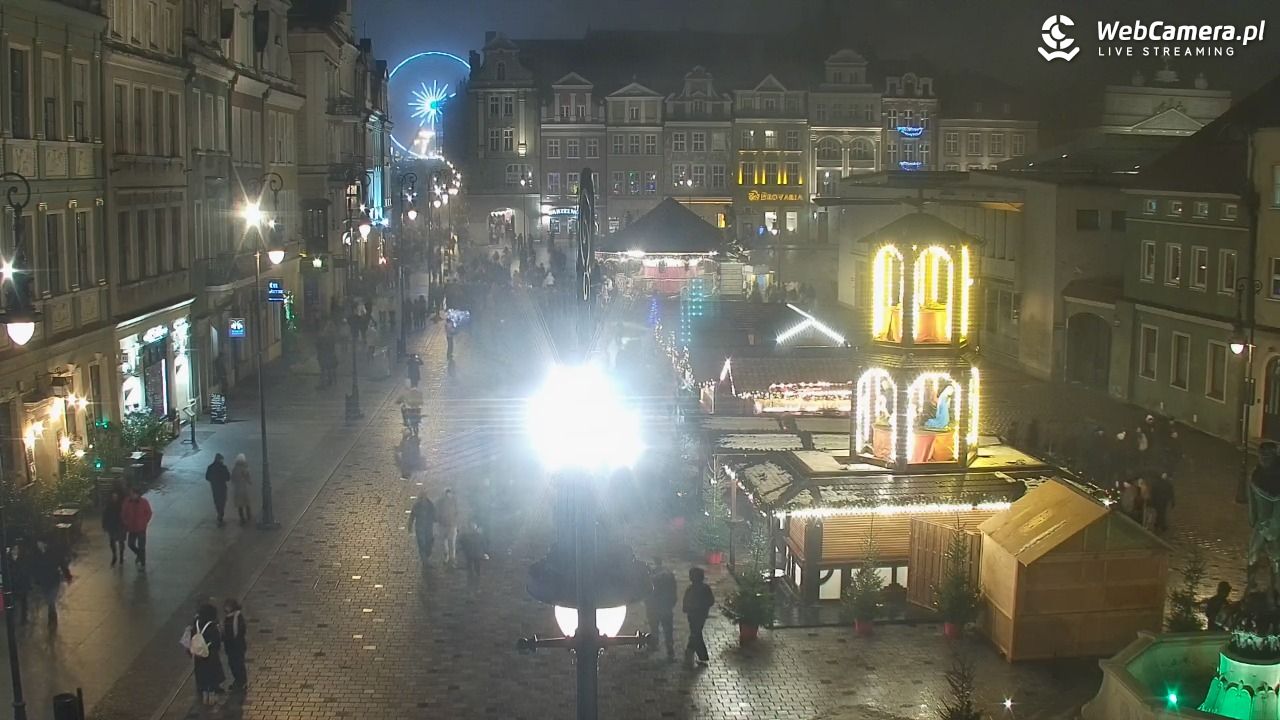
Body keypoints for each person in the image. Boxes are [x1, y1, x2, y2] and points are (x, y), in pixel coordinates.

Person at [31, 537, 72, 627]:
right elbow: (33, 567)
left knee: (51, 599)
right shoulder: (36, 554)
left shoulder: (53, 552)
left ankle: (52, 617)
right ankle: (52, 614)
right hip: (43, 581)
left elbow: (62, 564)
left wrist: (68, 576)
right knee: (48, 599)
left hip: (53, 580)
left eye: (40, 543)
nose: (38, 545)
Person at [190, 603, 225, 705]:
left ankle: (204, 694)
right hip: (210, 655)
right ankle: (212, 696)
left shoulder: (196, 623)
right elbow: (217, 641)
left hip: (198, 656)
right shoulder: (212, 625)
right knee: (212, 674)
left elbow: (192, 636)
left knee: (202, 674)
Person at [645, 558, 677, 660]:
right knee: (668, 629)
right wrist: (671, 603)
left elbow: (646, 592)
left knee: (654, 627)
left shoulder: (650, 577)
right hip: (666, 607)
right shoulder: (669, 575)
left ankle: (654, 644)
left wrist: (648, 604)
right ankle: (670, 649)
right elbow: (673, 591)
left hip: (653, 608)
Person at [682, 566, 715, 667]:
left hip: (695, 615)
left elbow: (686, 601)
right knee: (696, 634)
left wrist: (689, 608)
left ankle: (690, 654)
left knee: (695, 634)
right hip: (699, 615)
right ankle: (700, 656)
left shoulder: (691, 589)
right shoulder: (705, 588)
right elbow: (711, 601)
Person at [121, 485, 153, 568]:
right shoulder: (127, 501)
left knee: (141, 546)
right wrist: (126, 522)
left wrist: (144, 522)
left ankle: (143, 562)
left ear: (137, 494)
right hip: (131, 528)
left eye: (132, 493)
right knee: (130, 544)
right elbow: (123, 512)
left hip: (141, 528)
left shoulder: (144, 502)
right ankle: (139, 554)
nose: (130, 495)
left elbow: (149, 513)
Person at [223, 598, 249, 692]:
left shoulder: (238, 616)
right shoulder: (227, 617)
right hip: (230, 646)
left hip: (237, 646)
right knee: (232, 664)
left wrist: (234, 639)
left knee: (239, 664)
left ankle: (242, 682)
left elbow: (241, 630)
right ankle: (237, 680)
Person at [407, 494, 436, 564]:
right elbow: (412, 517)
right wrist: (409, 527)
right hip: (420, 528)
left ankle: (427, 556)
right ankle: (424, 560)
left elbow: (434, 514)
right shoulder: (416, 506)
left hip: (428, 528)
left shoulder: (430, 505)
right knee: (422, 544)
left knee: (429, 543)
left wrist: (436, 519)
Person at [102, 485, 127, 566]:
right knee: (112, 541)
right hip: (112, 525)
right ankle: (115, 555)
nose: (114, 497)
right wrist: (104, 525)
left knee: (120, 541)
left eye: (115, 496)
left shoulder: (122, 505)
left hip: (120, 524)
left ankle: (121, 556)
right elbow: (105, 515)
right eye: (113, 496)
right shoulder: (109, 505)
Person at [206, 454, 231, 527]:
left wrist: (213, 480)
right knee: (223, 501)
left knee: (217, 501)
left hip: (214, 488)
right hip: (222, 488)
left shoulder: (210, 467)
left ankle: (219, 513)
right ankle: (221, 513)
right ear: (220, 460)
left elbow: (207, 477)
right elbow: (228, 478)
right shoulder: (223, 467)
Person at [438, 488, 459, 567]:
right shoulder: (441, 502)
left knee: (452, 543)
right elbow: (438, 512)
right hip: (444, 525)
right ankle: (447, 556)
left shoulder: (454, 502)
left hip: (452, 525)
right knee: (445, 542)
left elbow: (457, 513)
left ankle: (452, 558)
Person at [231, 454, 253, 525]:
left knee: (240, 505)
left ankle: (242, 518)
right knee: (247, 503)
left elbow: (232, 479)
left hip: (237, 489)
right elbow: (247, 476)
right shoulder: (245, 467)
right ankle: (249, 516)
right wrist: (250, 482)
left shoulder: (235, 468)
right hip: (244, 488)